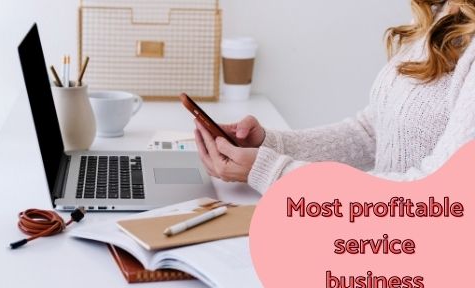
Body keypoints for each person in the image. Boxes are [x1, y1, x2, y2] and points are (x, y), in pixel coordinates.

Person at [195, 0, 475, 194]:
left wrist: (272, 172)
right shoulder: (438, 13)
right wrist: (272, 145)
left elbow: (438, 195)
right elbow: (372, 133)